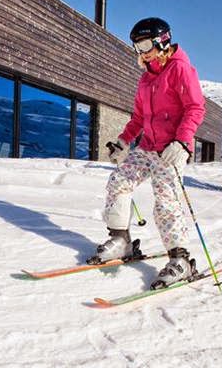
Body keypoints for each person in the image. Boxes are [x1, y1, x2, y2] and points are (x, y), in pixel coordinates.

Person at [87, 17, 206, 290]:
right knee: (119, 181)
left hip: (171, 149)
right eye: (136, 46)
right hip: (147, 147)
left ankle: (181, 259)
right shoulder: (145, 78)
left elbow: (196, 108)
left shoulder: (180, 70)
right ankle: (121, 241)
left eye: (143, 44)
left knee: (166, 200)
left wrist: (182, 142)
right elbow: (139, 117)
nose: (140, 51)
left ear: (161, 41)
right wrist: (123, 142)